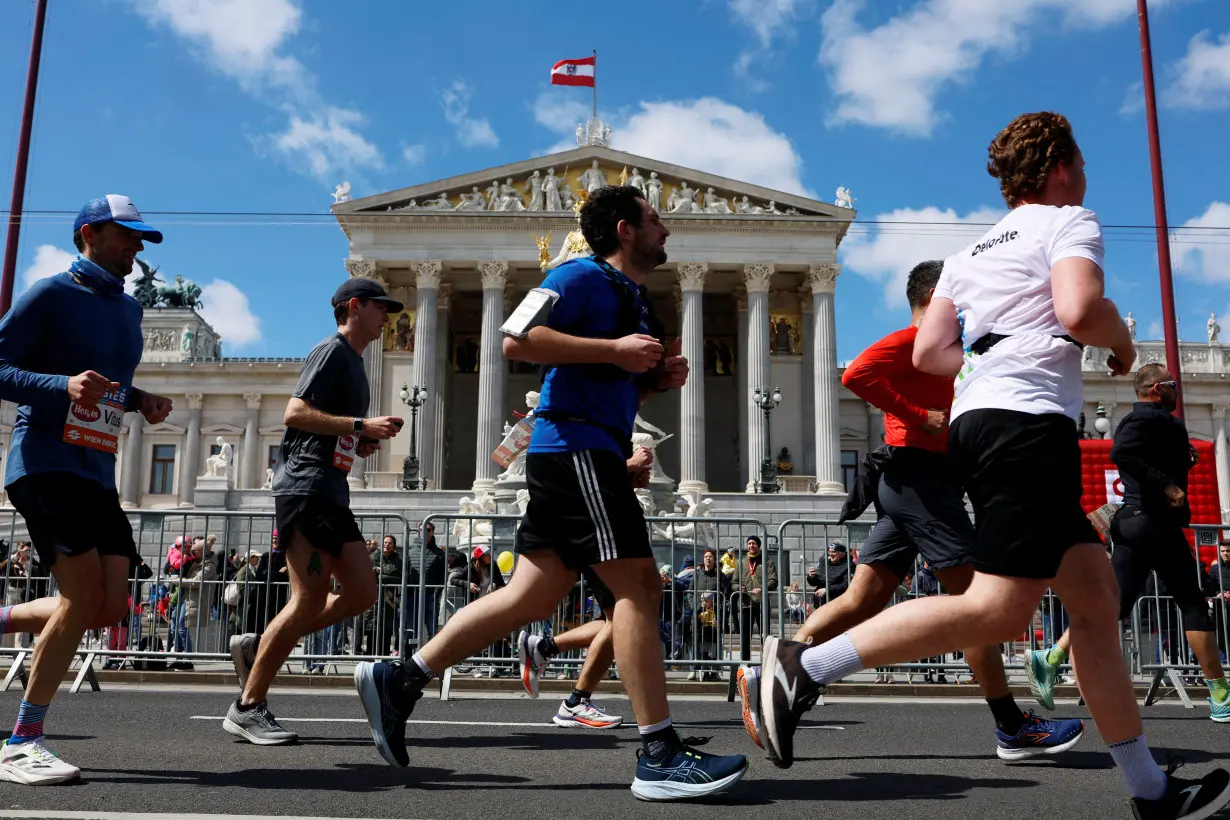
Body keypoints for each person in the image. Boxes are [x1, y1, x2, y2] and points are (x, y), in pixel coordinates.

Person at [753, 112, 1230, 819]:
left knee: (1095, 601)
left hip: (982, 421)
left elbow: (929, 354)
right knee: (998, 609)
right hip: (1026, 426)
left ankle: (1150, 789)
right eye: (1083, 160)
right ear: (1062, 165)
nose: (1087, 173)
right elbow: (1078, 308)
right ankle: (802, 666)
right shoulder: (1068, 221)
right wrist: (1122, 346)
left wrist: (996, 353)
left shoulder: (972, 251)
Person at [353, 185, 748, 801]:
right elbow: (515, 338)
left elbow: (594, 380)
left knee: (532, 594)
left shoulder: (630, 298)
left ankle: (401, 677)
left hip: (586, 449)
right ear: (625, 229)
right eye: (655, 219)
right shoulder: (580, 274)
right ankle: (659, 755)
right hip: (576, 451)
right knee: (641, 587)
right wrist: (617, 351)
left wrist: (648, 384)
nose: (666, 229)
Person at [737, 260, 1084, 761]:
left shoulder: (944, 349)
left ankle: (773, 673)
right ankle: (1011, 725)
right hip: (918, 480)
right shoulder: (914, 338)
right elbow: (856, 373)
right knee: (976, 605)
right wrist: (920, 416)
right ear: (939, 295)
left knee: (861, 600)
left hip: (918, 483)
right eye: (959, 297)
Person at [0, 196, 172, 784]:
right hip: (45, 459)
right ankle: (23, 739)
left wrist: (139, 398)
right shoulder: (49, 294)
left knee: (108, 605)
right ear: (88, 234)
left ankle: (4, 619)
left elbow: (109, 387)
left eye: (141, 240)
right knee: (77, 600)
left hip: (97, 469)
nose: (135, 248)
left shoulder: (129, 309)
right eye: (126, 236)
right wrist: (59, 384)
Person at [223, 277, 406, 745]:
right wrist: (359, 424)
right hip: (305, 488)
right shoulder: (331, 351)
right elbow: (294, 413)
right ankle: (247, 707)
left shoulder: (357, 363)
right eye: (380, 307)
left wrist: (356, 440)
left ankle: (262, 645)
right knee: (307, 598)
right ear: (355, 306)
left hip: (331, 488)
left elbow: (325, 426)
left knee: (363, 592)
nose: (387, 317)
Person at [1027, 364, 1229, 723]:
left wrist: (1183, 460)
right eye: (1171, 385)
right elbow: (1122, 453)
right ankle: (1220, 693)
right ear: (1154, 389)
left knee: (1112, 608)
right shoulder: (1144, 420)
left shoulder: (1157, 423)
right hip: (1151, 522)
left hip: (1143, 524)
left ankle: (1052, 658)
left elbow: (1145, 457)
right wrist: (1166, 484)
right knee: (1193, 604)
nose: (1176, 391)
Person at [517, 446, 657, 729]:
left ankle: (544, 650)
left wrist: (631, 478)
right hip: (601, 534)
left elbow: (603, 481)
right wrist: (630, 465)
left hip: (610, 530)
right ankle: (575, 701)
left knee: (618, 618)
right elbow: (584, 480)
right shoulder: (581, 425)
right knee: (623, 618)